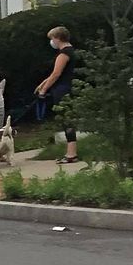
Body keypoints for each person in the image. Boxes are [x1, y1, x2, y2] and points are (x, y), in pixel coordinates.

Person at [37, 26, 81, 165]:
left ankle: (71, 153)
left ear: (58, 38)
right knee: (66, 119)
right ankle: (71, 152)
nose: (52, 42)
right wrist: (43, 83)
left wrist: (44, 90)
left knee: (66, 119)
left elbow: (56, 74)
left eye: (52, 38)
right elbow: (56, 73)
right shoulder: (71, 51)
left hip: (62, 89)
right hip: (66, 87)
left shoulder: (64, 54)